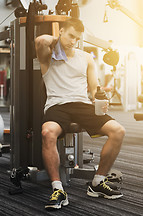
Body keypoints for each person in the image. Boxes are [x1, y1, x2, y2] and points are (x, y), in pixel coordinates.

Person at [35, 18, 125, 210]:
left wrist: (99, 98)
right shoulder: (48, 55)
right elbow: (41, 41)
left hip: (82, 104)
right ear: (61, 32)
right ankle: (58, 189)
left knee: (118, 131)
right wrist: (58, 43)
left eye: (77, 38)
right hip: (57, 105)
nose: (73, 41)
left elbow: (93, 89)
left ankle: (97, 183)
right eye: (70, 36)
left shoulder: (85, 57)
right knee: (47, 133)